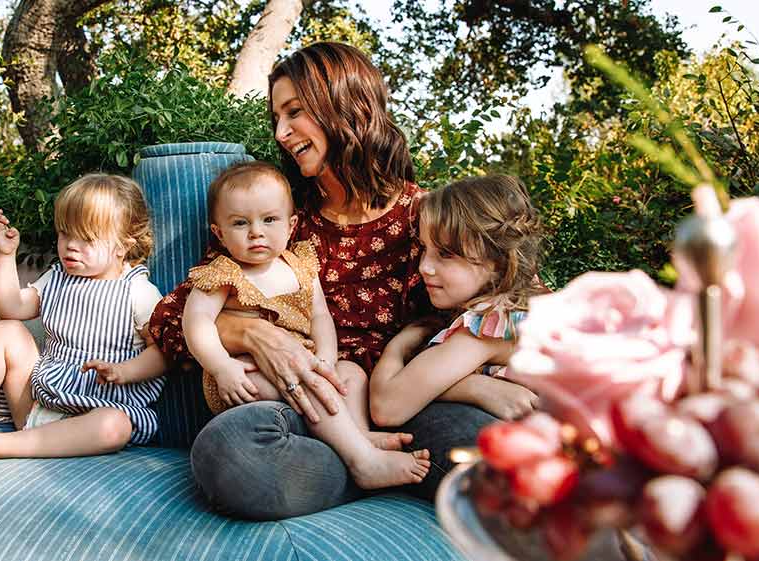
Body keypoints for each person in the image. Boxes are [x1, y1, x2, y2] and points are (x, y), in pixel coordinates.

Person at [148, 42, 537, 519]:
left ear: (346, 104)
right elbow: (169, 320)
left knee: (500, 455)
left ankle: (369, 464)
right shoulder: (280, 218)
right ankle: (363, 466)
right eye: (277, 117)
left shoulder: (427, 218)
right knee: (230, 451)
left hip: (406, 407)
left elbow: (491, 316)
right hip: (302, 406)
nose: (281, 132)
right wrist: (253, 332)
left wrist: (472, 388)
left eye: (294, 112)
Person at [183, 160, 430, 489]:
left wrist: (328, 358)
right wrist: (221, 366)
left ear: (291, 225)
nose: (256, 232)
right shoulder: (224, 273)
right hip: (246, 373)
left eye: (269, 220)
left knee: (352, 375)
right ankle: (363, 461)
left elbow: (320, 317)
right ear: (219, 233)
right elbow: (195, 322)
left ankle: (359, 435)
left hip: (307, 360)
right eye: (241, 223)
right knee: (311, 382)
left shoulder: (300, 265)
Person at [0, 173, 167, 467]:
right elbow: (10, 307)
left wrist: (126, 371)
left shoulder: (138, 292)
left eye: (85, 238)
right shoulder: (57, 278)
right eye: (65, 233)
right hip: (38, 404)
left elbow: (163, 353)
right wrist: (4, 255)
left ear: (122, 246)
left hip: (96, 413)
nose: (70, 246)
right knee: (6, 331)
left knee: (115, 426)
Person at [370, 175, 546, 427]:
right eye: (424, 248)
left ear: (496, 261)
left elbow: (386, 406)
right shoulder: (525, 306)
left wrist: (398, 346)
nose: (424, 267)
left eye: (446, 254)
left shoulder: (492, 322)